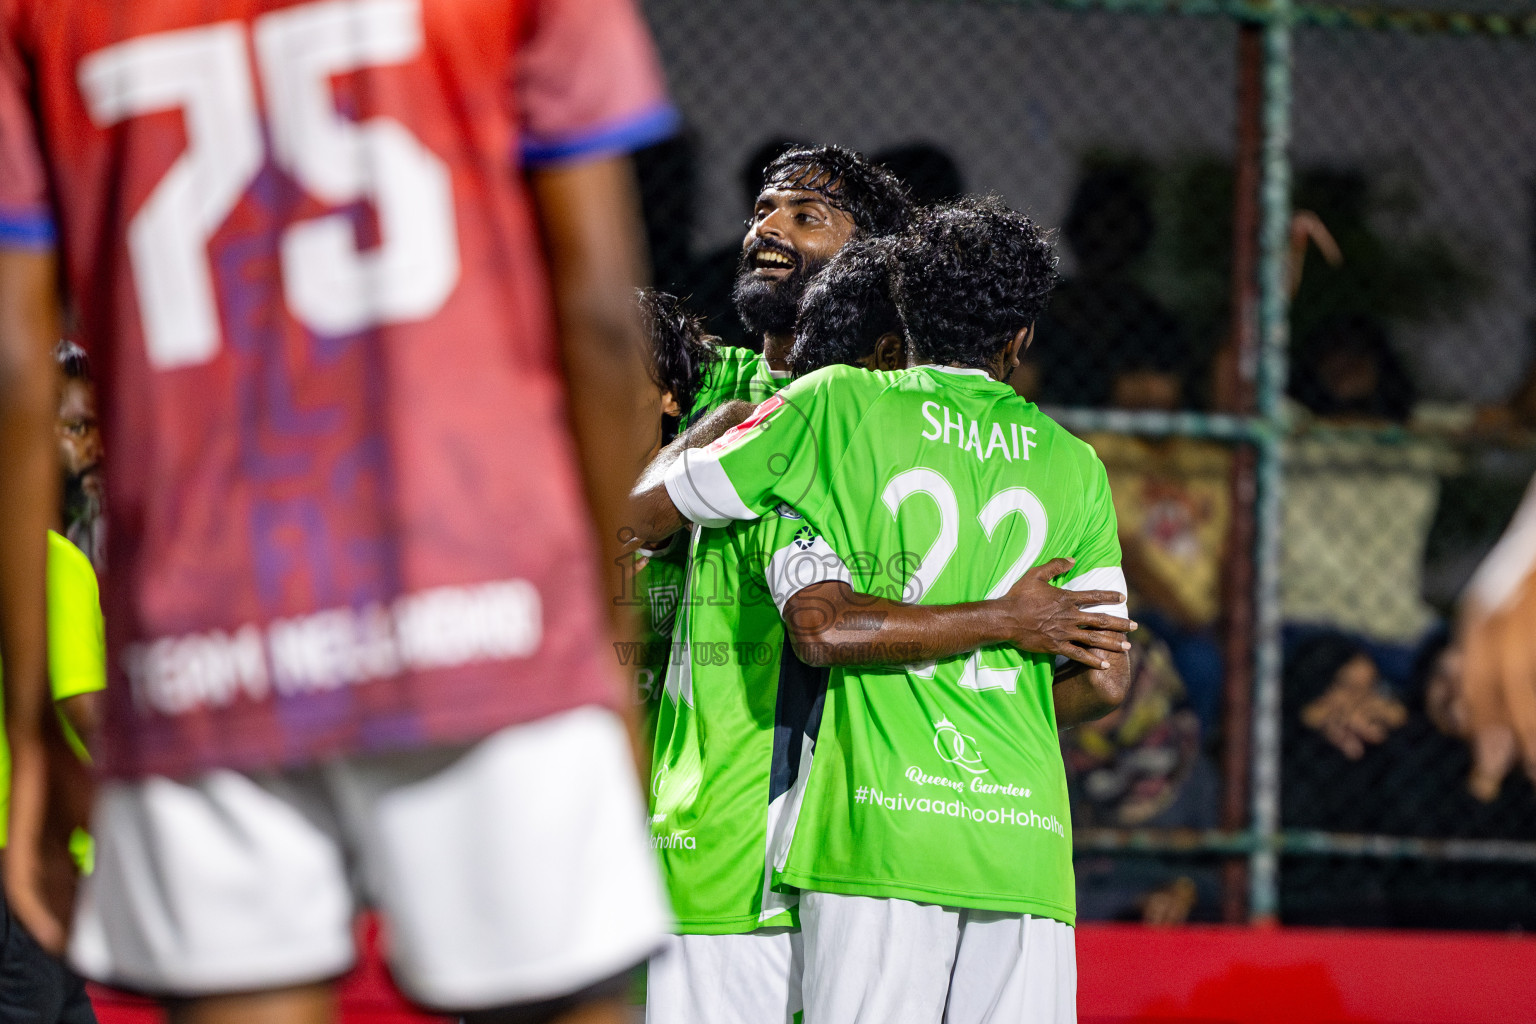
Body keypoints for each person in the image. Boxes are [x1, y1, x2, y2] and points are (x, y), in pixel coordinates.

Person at [0, 2, 679, 1021]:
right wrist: (599, 638)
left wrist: (33, 731)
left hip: (204, 635)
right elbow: (594, 310)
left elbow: (17, 366)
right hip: (478, 607)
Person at [632, 197, 1131, 1023]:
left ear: (904, 314)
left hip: (875, 830)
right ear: (1020, 339)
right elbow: (1106, 681)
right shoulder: (1076, 466)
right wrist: (995, 667)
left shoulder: (835, 406)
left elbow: (652, 512)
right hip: (1025, 840)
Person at [0, 341, 109, 1024]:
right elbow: (89, 714)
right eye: (74, 427)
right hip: (31, 862)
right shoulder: (54, 562)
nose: (94, 447)